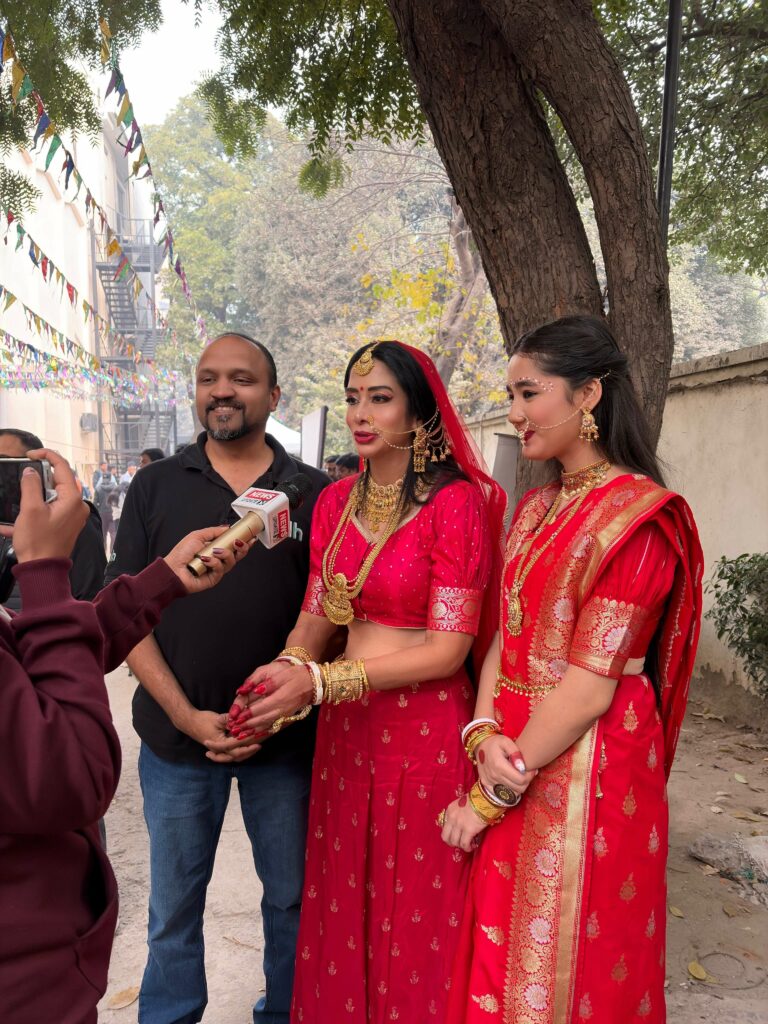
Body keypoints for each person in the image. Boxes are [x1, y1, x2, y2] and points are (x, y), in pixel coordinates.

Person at [226, 340, 507, 1023]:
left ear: (420, 412)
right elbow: (319, 613)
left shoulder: (455, 505)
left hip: (425, 733)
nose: (360, 413)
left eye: (380, 398)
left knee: (414, 906)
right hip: (347, 734)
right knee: (346, 895)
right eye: (353, 398)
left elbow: (448, 651)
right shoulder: (334, 502)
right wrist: (287, 668)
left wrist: (321, 684)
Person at [441, 315, 703, 1024]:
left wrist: (490, 795)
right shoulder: (534, 509)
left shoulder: (638, 521)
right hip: (513, 748)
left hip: (590, 763)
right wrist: (483, 732)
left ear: (588, 395)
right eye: (511, 395)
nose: (514, 412)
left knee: (568, 962)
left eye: (530, 393)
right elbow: (506, 636)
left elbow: (589, 689)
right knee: (499, 950)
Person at [106, 331, 328, 1024]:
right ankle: (170, 1015)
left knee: (291, 900)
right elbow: (124, 613)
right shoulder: (155, 486)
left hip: (286, 743)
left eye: (241, 378)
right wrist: (184, 715)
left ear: (274, 394)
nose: (222, 391)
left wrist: (279, 706)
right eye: (208, 378)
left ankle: (286, 1012)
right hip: (178, 740)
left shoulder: (315, 493)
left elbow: (333, 613)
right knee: (174, 905)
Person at [0, 448, 256, 1024]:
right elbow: (73, 775)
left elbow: (35, 662)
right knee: (174, 907)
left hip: (44, 948)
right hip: (22, 973)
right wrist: (44, 576)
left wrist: (161, 584)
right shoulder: (153, 485)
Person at [0, 428, 106, 610]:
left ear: (36, 470)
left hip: (49, 626)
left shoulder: (70, 522)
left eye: (5, 464)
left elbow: (91, 603)